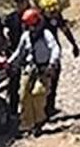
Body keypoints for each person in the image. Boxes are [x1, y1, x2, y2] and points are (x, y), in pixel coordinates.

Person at [7, 8, 61, 136]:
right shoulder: (25, 36)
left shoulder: (46, 34)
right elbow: (19, 52)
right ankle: (27, 124)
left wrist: (53, 63)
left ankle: (39, 120)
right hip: (28, 69)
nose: (31, 28)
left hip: (43, 69)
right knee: (24, 95)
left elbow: (55, 48)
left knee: (38, 94)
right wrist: (9, 63)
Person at [37, 0, 80, 117]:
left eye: (55, 12)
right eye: (50, 12)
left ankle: (50, 107)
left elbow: (64, 29)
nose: (53, 15)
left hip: (54, 51)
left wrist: (74, 44)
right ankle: (41, 110)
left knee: (54, 79)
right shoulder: (39, 20)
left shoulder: (56, 17)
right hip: (41, 53)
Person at [3, 0, 32, 118]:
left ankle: (30, 111)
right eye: (17, 1)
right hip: (13, 52)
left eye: (22, 1)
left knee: (29, 83)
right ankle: (13, 111)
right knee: (13, 83)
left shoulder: (33, 16)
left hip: (30, 54)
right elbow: (4, 33)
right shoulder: (11, 18)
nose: (20, 4)